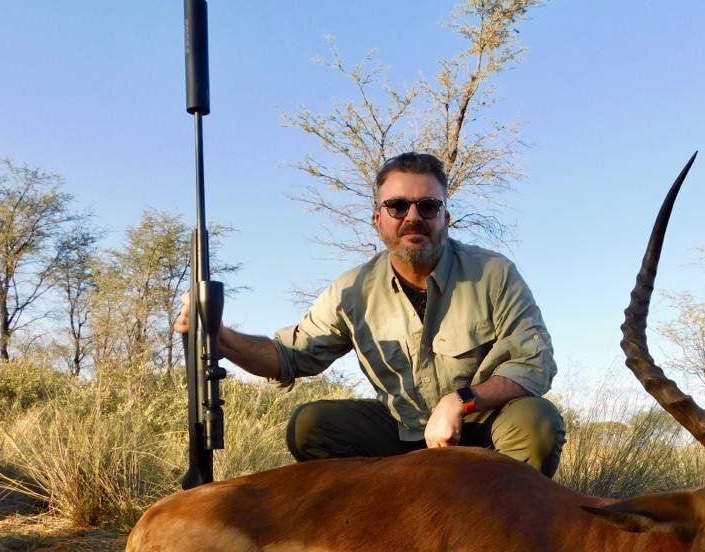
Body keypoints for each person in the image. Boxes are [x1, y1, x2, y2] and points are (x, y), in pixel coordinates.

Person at [174, 152, 564, 476]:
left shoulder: (494, 273)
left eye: (428, 206)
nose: (413, 217)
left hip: (482, 430)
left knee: (537, 422)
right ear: (378, 220)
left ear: (445, 217)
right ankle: (380, 527)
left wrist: (457, 402)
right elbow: (289, 357)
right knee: (310, 427)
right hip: (402, 437)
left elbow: (535, 363)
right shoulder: (351, 290)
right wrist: (219, 334)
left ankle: (500, 537)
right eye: (397, 206)